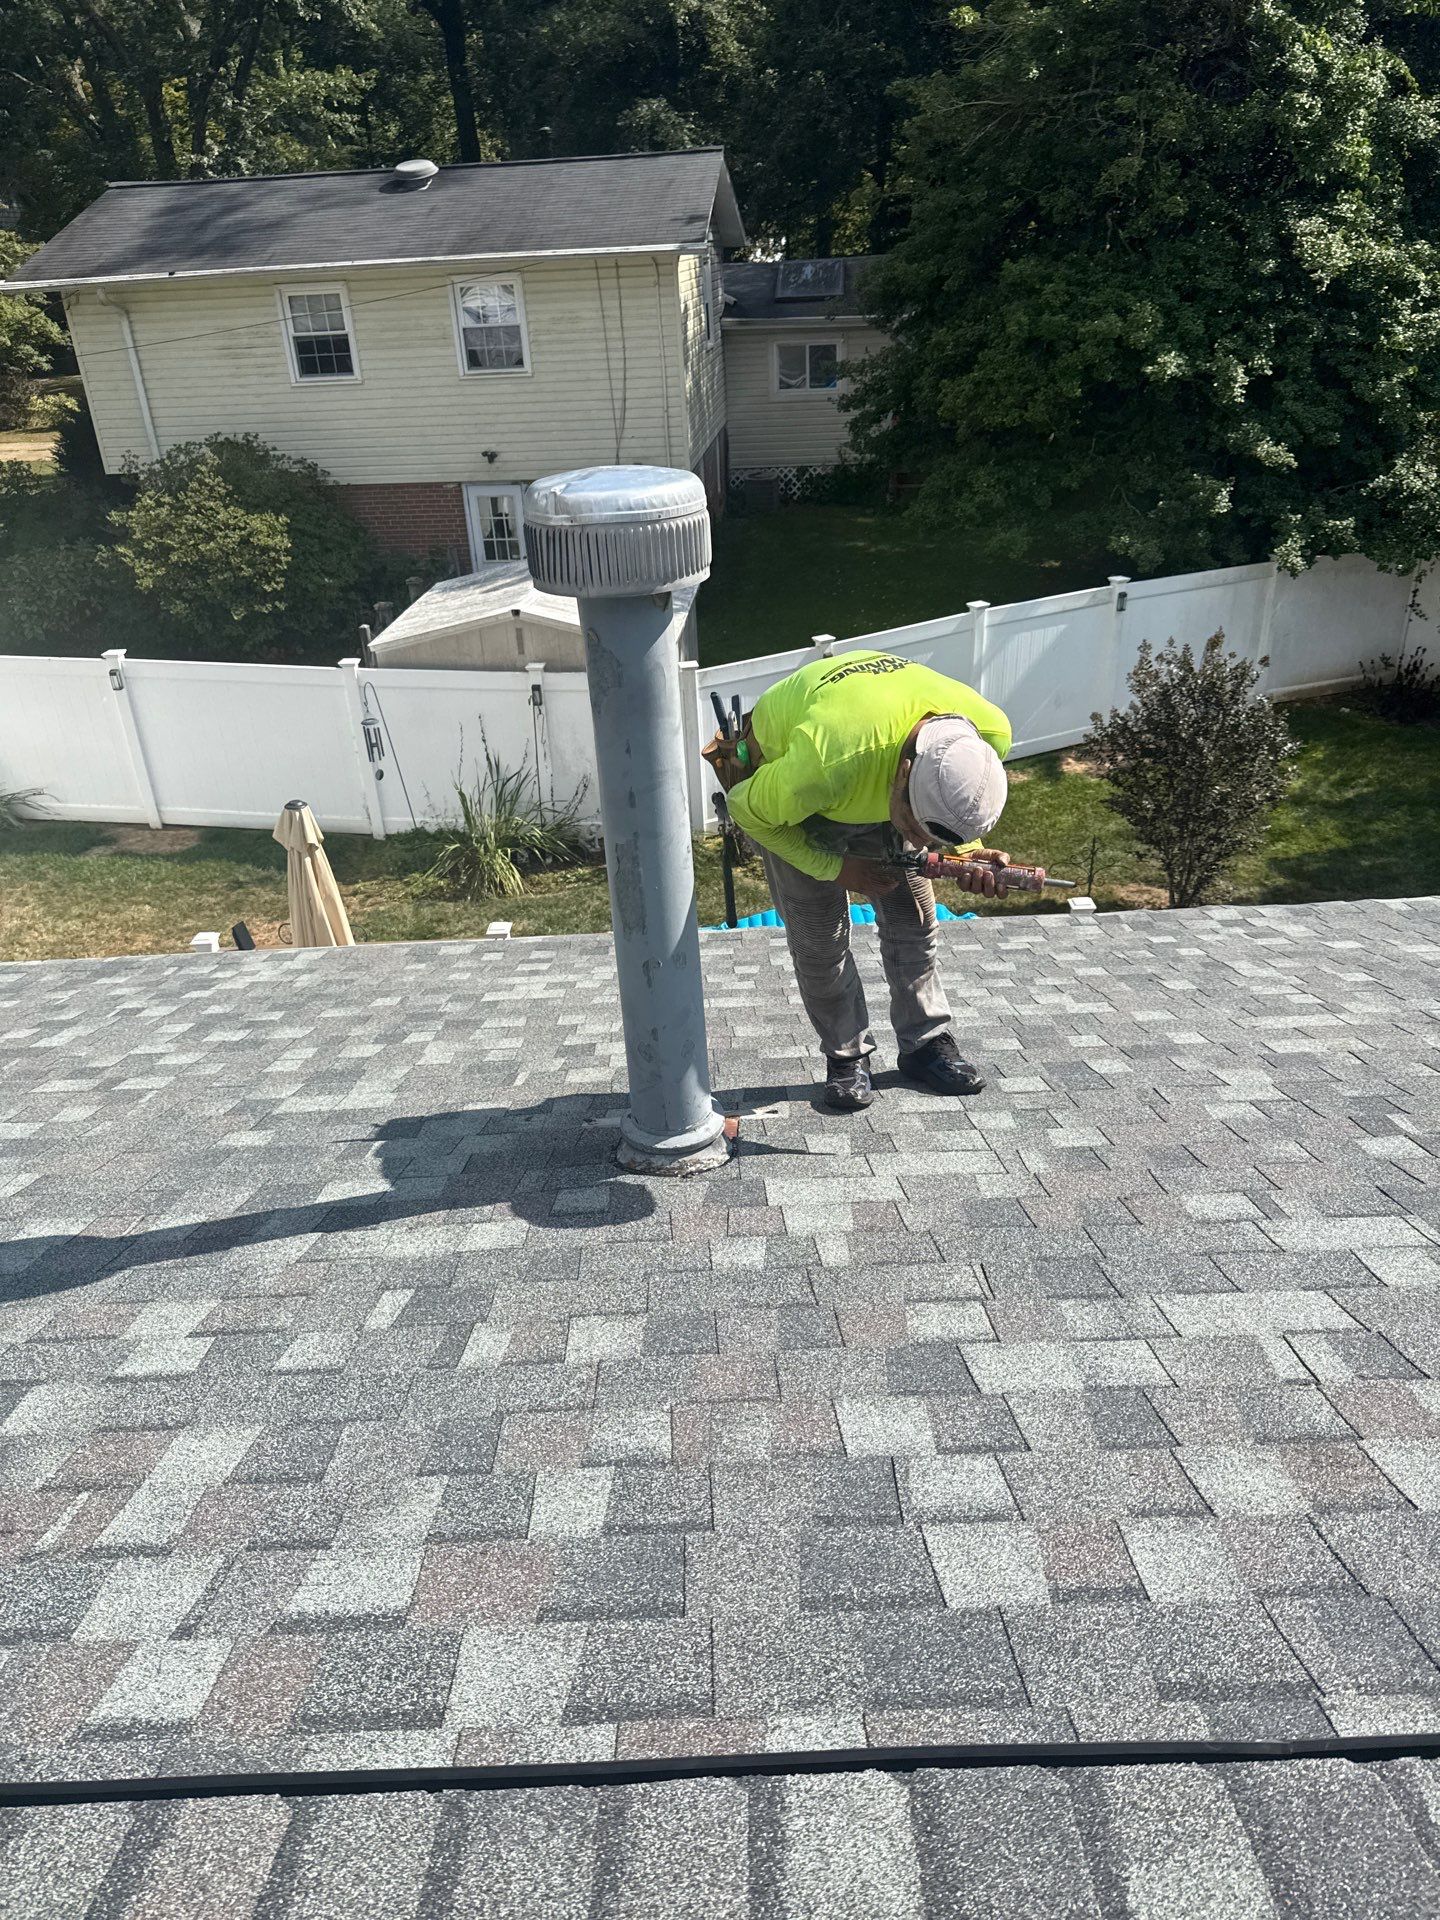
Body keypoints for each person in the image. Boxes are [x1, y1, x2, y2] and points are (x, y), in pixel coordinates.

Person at [724, 650, 1012, 1111]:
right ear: (902, 775)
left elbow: (952, 811)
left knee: (915, 923)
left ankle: (924, 1044)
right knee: (821, 940)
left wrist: (968, 853)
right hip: (808, 794)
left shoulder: (989, 732)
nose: (918, 844)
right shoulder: (818, 766)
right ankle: (846, 1056)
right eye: (917, 827)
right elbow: (747, 810)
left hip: (873, 768)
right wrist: (838, 869)